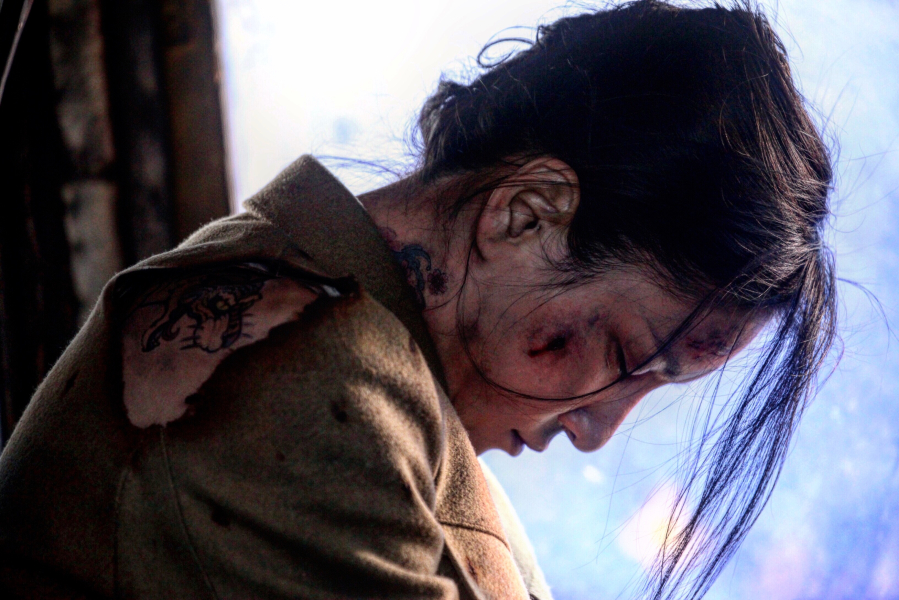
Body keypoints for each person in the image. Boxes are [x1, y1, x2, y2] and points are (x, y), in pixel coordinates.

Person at [0, 1, 835, 599]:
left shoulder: (393, 409)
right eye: (621, 353)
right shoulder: (311, 389)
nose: (596, 430)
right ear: (525, 214)